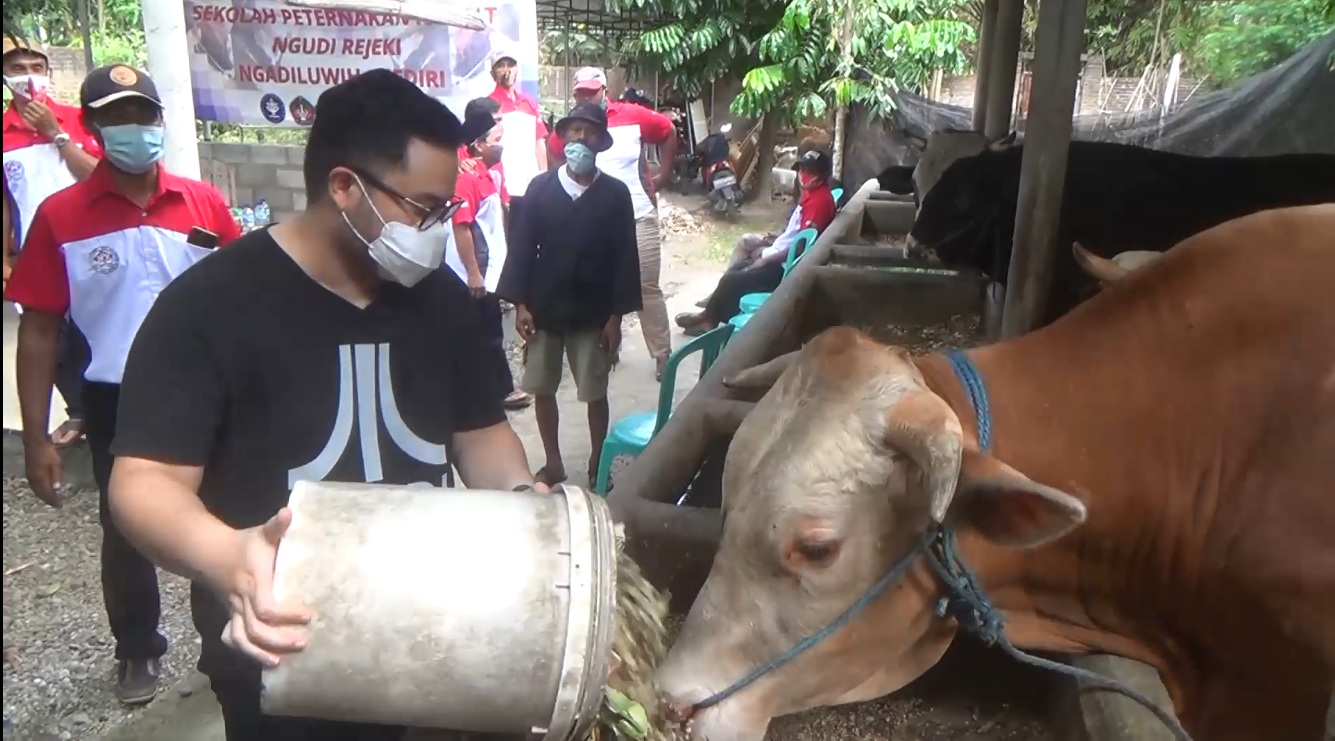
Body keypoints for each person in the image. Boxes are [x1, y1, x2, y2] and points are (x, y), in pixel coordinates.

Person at [105, 69, 540, 741]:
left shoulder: (443, 302)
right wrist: (229, 557)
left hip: (432, 639)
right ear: (345, 188)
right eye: (422, 208)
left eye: (444, 211)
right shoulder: (207, 308)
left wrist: (524, 509)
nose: (434, 230)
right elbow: (144, 482)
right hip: (279, 655)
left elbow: (480, 433)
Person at [4, 63, 240, 705]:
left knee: (215, 518)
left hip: (208, 394)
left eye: (142, 115)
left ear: (159, 123)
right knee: (128, 528)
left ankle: (221, 648)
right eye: (114, 117)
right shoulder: (61, 217)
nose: (132, 129)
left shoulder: (203, 204)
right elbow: (40, 331)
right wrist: (35, 437)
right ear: (93, 127)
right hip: (118, 400)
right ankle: (137, 648)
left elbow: (245, 299)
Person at [498, 102, 641, 487]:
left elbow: (625, 257)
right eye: (573, 131)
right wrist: (520, 305)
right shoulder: (540, 189)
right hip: (544, 309)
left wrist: (615, 319)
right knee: (542, 387)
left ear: (600, 141)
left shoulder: (615, 195)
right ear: (562, 138)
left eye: (588, 132)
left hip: (593, 314)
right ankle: (554, 461)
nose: (579, 139)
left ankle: (598, 462)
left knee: (595, 391)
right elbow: (522, 248)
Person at [4, 35, 103, 446]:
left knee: (98, 331)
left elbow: (100, 177)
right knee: (52, 341)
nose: (28, 77)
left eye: (36, 67)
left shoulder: (78, 121)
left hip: (94, 243)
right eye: (17, 68)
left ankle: (111, 412)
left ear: (48, 72)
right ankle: (79, 413)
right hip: (37, 253)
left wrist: (54, 132)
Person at [548, 67, 678, 380]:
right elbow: (553, 153)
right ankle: (607, 346)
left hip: (637, 212)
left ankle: (662, 355)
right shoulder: (573, 124)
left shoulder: (633, 116)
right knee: (600, 285)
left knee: (646, 286)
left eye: (591, 91)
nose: (585, 96)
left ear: (605, 91)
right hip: (592, 220)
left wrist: (662, 176)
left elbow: (668, 131)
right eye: (580, 91)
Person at [675, 149, 837, 336]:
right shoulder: (811, 194)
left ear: (822, 176)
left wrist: (768, 259)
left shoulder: (820, 202)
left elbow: (801, 246)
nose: (804, 176)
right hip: (782, 255)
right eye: (803, 170)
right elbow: (795, 234)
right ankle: (709, 314)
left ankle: (709, 319)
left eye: (811, 172)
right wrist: (773, 242)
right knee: (738, 269)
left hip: (786, 268)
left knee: (734, 278)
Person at [446, 96, 532, 411]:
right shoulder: (467, 178)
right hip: (475, 271)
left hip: (490, 267)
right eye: (497, 140)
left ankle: (489, 388)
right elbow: (462, 227)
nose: (502, 145)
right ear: (479, 144)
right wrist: (473, 273)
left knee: (487, 329)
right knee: (485, 331)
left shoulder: (489, 174)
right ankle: (497, 390)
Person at [487, 50, 548, 211]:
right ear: (492, 73)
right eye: (501, 65)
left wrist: (544, 177)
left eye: (511, 65)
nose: (507, 69)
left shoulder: (529, 102)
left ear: (517, 69)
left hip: (531, 183)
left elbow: (539, 141)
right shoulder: (489, 104)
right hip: (505, 186)